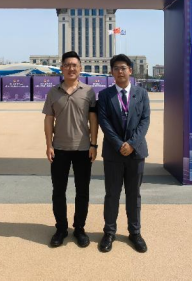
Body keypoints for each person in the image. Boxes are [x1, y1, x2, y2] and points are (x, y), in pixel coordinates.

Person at [43, 51, 99, 248]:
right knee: (58, 191)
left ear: (80, 68)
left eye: (75, 65)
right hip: (59, 149)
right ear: (62, 68)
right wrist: (49, 145)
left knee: (82, 191)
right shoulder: (53, 92)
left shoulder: (89, 92)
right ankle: (61, 228)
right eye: (67, 65)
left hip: (83, 149)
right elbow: (49, 119)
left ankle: (79, 229)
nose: (71, 68)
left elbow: (93, 120)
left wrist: (94, 144)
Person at [97, 54, 151, 254]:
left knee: (133, 194)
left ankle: (135, 233)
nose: (120, 71)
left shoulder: (141, 94)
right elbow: (104, 122)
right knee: (112, 194)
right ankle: (109, 232)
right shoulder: (105, 95)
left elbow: (145, 120)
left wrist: (132, 144)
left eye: (123, 68)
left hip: (136, 153)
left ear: (130, 70)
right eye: (116, 68)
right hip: (113, 153)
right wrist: (120, 144)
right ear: (111, 72)